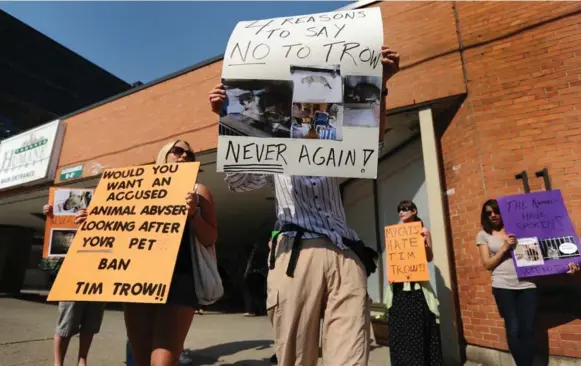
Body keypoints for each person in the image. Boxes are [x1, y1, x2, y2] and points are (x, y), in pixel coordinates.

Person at [209, 45, 400, 365]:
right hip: (296, 252)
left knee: (351, 357)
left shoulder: (328, 134)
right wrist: (228, 120)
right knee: (296, 357)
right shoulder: (268, 145)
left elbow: (371, 144)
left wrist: (380, 84)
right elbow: (239, 182)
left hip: (345, 252)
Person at [75, 140, 217, 366]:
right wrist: (93, 222)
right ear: (163, 155)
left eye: (189, 154)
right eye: (177, 151)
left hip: (178, 281)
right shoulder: (139, 187)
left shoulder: (198, 191)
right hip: (137, 280)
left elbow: (210, 238)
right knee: (140, 359)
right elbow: (119, 233)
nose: (184, 156)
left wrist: (193, 215)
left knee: (163, 361)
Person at [477, 199, 580, 366]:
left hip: (528, 285)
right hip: (503, 285)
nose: (493, 215)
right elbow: (487, 264)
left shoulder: (521, 229)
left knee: (528, 330)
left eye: (496, 211)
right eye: (488, 213)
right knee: (513, 329)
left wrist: (565, 266)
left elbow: (546, 251)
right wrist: (504, 248)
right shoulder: (483, 235)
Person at [42, 204, 105, 366]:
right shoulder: (70, 212)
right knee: (66, 323)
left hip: (98, 276)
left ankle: (82, 360)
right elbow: (58, 230)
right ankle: (58, 363)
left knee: (90, 322)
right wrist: (51, 214)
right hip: (72, 275)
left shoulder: (107, 212)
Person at [386, 200, 443, 366]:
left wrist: (425, 243)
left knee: (419, 331)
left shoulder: (423, 231)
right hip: (398, 289)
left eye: (404, 209)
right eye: (399, 210)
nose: (401, 212)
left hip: (417, 289)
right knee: (400, 332)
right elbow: (394, 260)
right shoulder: (395, 233)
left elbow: (429, 258)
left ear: (414, 211)